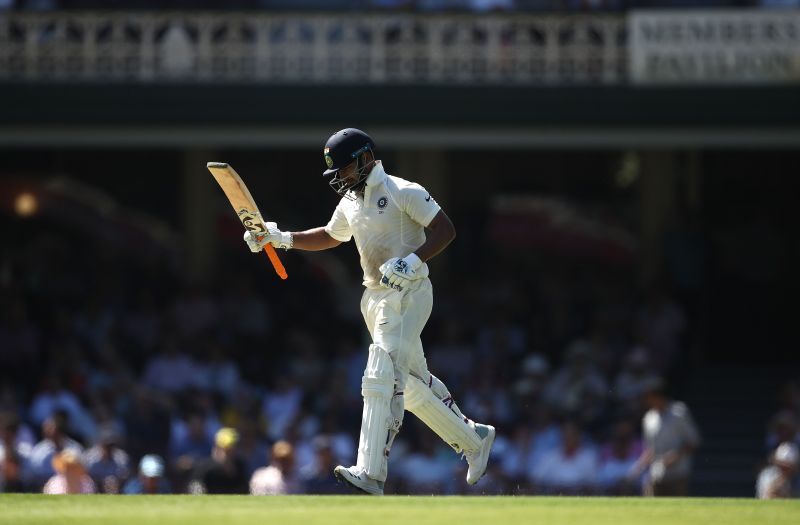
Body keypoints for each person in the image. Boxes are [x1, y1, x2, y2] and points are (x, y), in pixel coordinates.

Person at [244, 128, 495, 495]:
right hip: (374, 297)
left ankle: (371, 471)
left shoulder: (402, 190)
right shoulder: (350, 200)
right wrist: (281, 239)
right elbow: (332, 235)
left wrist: (412, 261)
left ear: (364, 159)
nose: (340, 178)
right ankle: (474, 439)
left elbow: (445, 229)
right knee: (408, 384)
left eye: (344, 169)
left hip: (410, 291)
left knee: (381, 371)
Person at [632, 378, 701, 496]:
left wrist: (675, 456)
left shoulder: (679, 412)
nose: (646, 400)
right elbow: (650, 449)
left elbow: (693, 441)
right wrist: (636, 470)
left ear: (657, 396)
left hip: (678, 474)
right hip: (657, 474)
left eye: (648, 396)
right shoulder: (649, 418)